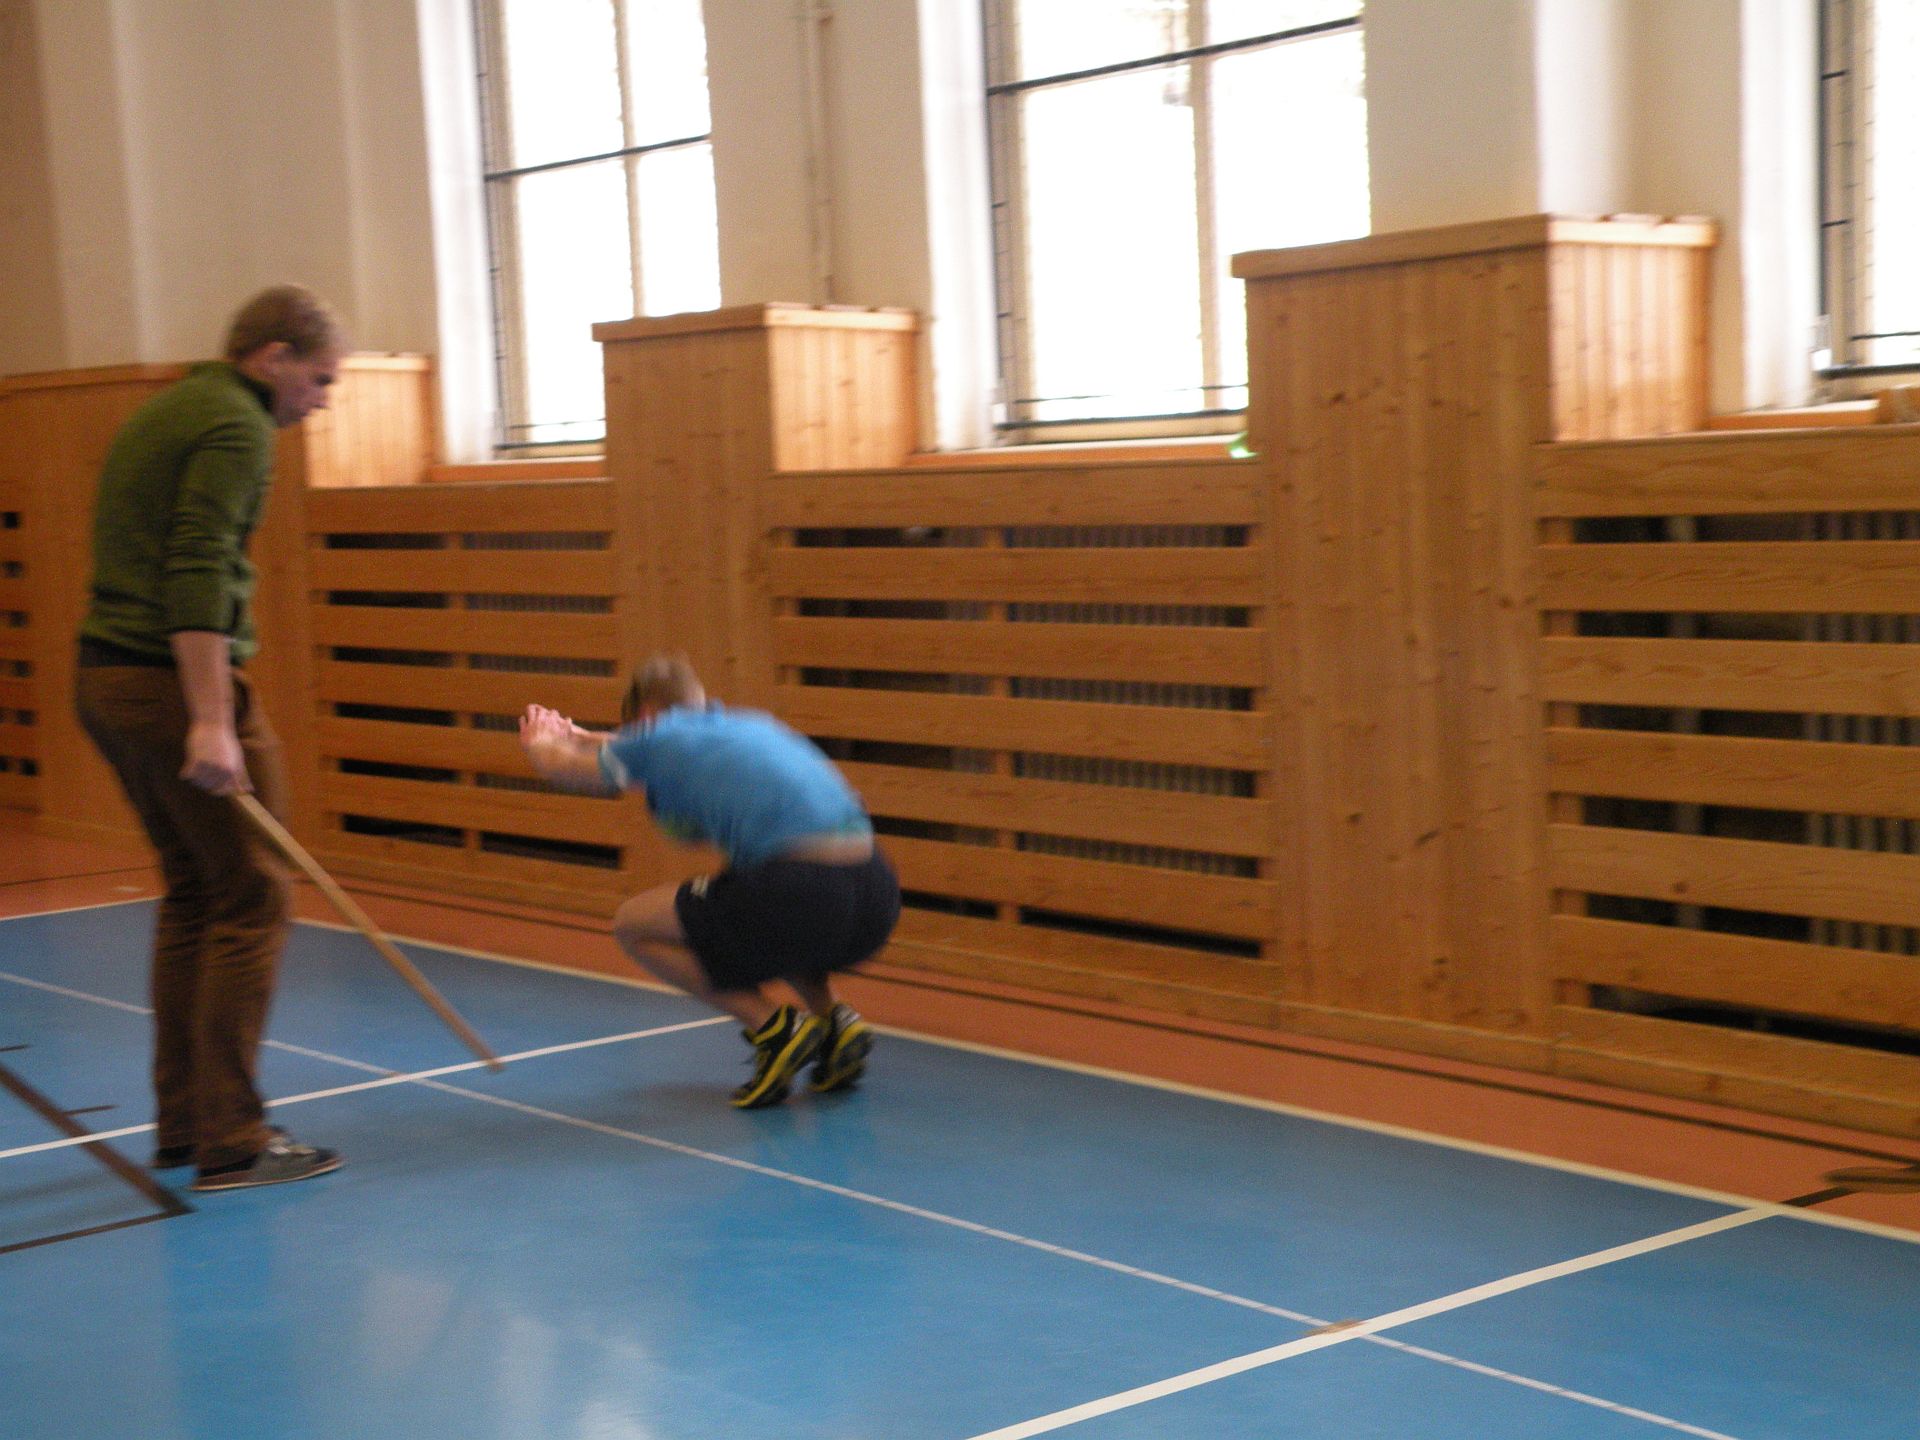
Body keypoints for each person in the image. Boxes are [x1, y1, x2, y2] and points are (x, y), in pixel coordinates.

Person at [75, 285, 346, 1192]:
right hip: (167, 683)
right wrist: (211, 719)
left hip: (107, 679)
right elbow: (197, 568)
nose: (322, 400)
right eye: (318, 379)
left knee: (199, 891)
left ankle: (187, 1123)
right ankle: (232, 1137)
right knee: (254, 894)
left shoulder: (177, 406)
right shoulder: (237, 424)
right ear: (271, 358)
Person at [519, 655, 899, 1109]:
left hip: (803, 891)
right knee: (763, 916)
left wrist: (541, 740)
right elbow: (645, 750)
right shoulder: (745, 725)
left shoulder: (659, 738)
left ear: (646, 716)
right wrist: (586, 737)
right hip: (875, 894)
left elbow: (561, 765)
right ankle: (834, 1023)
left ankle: (773, 1029)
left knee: (633, 925)